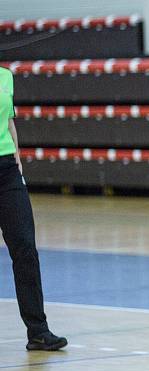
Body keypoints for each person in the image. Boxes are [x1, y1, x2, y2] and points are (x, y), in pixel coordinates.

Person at [0, 67, 67, 351]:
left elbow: (9, 121)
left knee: (25, 248)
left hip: (7, 170)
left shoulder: (6, 77)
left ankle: (38, 331)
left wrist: (17, 151)